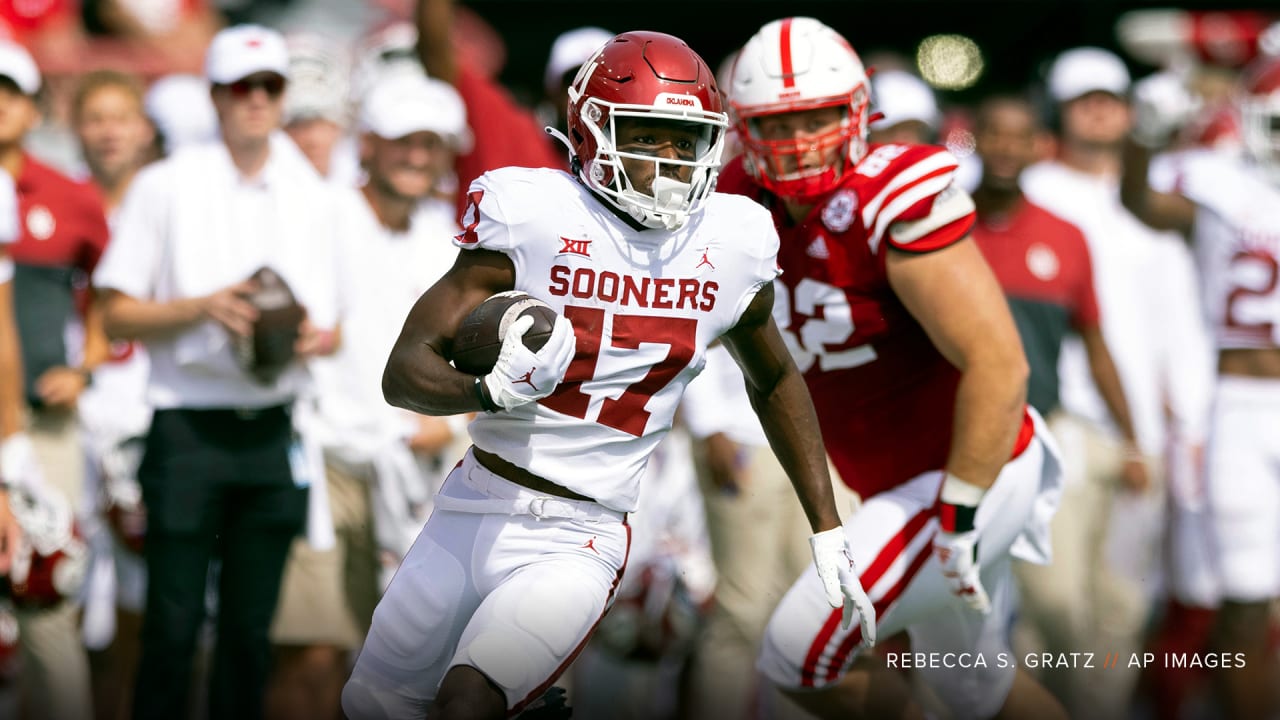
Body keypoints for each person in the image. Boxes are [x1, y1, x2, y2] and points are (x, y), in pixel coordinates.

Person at [341, 30, 874, 720]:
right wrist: (483, 391)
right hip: (470, 507)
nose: (672, 161)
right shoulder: (532, 214)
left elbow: (774, 379)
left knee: (465, 704)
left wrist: (826, 525)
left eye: (688, 141)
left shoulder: (732, 242)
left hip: (581, 534)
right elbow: (402, 371)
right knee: (372, 706)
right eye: (651, 135)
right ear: (591, 130)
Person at [722, 17, 1066, 719]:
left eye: (817, 117)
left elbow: (999, 365)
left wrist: (960, 511)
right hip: (892, 480)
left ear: (857, 115)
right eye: (778, 124)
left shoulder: (891, 195)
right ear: (744, 127)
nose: (799, 142)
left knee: (797, 652)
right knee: (976, 688)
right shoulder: (735, 197)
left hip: (966, 472)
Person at [92, 25, 344, 720]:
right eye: (242, 87)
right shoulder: (164, 185)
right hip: (188, 426)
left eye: (269, 87)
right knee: (170, 633)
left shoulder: (312, 193)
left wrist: (314, 337)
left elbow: (338, 322)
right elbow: (113, 315)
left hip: (272, 430)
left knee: (248, 638)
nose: (256, 101)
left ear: (283, 95)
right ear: (215, 96)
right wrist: (205, 308)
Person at [266, 70, 471, 720]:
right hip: (324, 461)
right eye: (401, 141)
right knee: (314, 654)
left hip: (421, 468)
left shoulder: (451, 231)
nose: (416, 156)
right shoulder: (320, 213)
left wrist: (456, 421)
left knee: (410, 660)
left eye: (430, 143)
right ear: (369, 145)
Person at [1020, 47, 1214, 719]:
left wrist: (1188, 425)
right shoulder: (1031, 190)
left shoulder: (1158, 202)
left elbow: (1182, 322)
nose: (1100, 109)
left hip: (1146, 436)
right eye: (1084, 99)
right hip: (1057, 424)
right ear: (1061, 111)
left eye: (1111, 97)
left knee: (1123, 609)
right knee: (1052, 603)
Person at [1120, 53, 1280, 720]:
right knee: (1243, 602)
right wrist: (1144, 138)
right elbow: (1140, 202)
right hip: (1241, 407)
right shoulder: (1220, 181)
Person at [2, 38, 109, 720]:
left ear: (33, 105)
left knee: (48, 593)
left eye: (8, 90)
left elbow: (112, 289)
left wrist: (85, 364)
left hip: (38, 423)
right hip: (12, 425)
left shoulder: (68, 193)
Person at [69, 67, 157, 720]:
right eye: (94, 117)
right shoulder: (52, 201)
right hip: (71, 405)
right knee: (70, 575)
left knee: (144, 579)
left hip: (146, 402)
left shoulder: (169, 199)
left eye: (119, 116)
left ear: (144, 127)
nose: (108, 131)